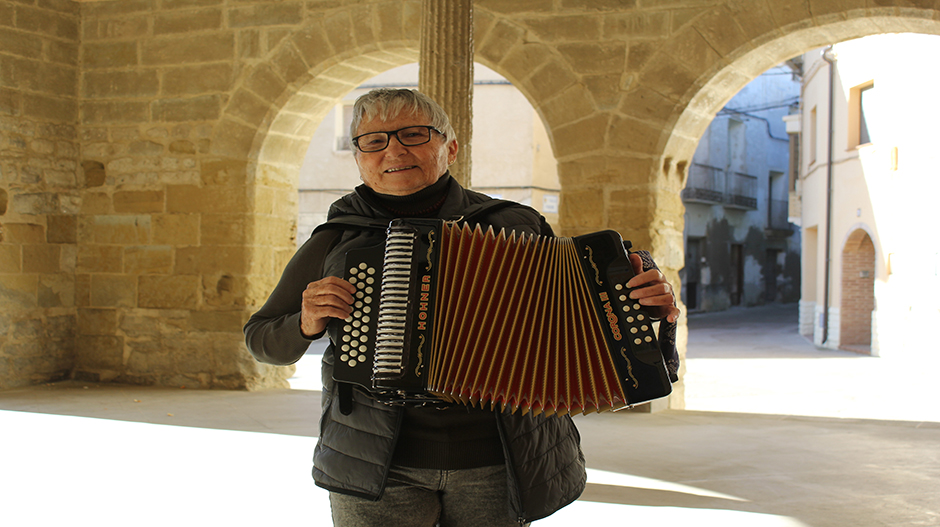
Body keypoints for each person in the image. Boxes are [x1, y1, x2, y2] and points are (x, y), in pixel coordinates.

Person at [244, 88, 680, 526]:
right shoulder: (336, 238)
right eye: (374, 140)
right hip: (377, 462)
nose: (393, 149)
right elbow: (263, 340)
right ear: (359, 157)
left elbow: (579, 319)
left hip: (500, 458)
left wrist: (644, 307)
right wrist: (303, 322)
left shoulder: (514, 225)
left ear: (449, 147)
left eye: (413, 135)